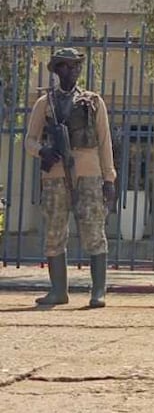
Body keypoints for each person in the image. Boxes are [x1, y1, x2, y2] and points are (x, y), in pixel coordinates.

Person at [24, 48, 117, 308]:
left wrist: (109, 178)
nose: (72, 70)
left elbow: (104, 141)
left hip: (89, 175)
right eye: (66, 66)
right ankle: (58, 291)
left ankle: (98, 292)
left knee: (93, 231)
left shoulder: (93, 102)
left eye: (76, 66)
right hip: (55, 176)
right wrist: (43, 150)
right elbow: (30, 140)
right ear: (57, 70)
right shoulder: (45, 103)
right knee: (54, 231)